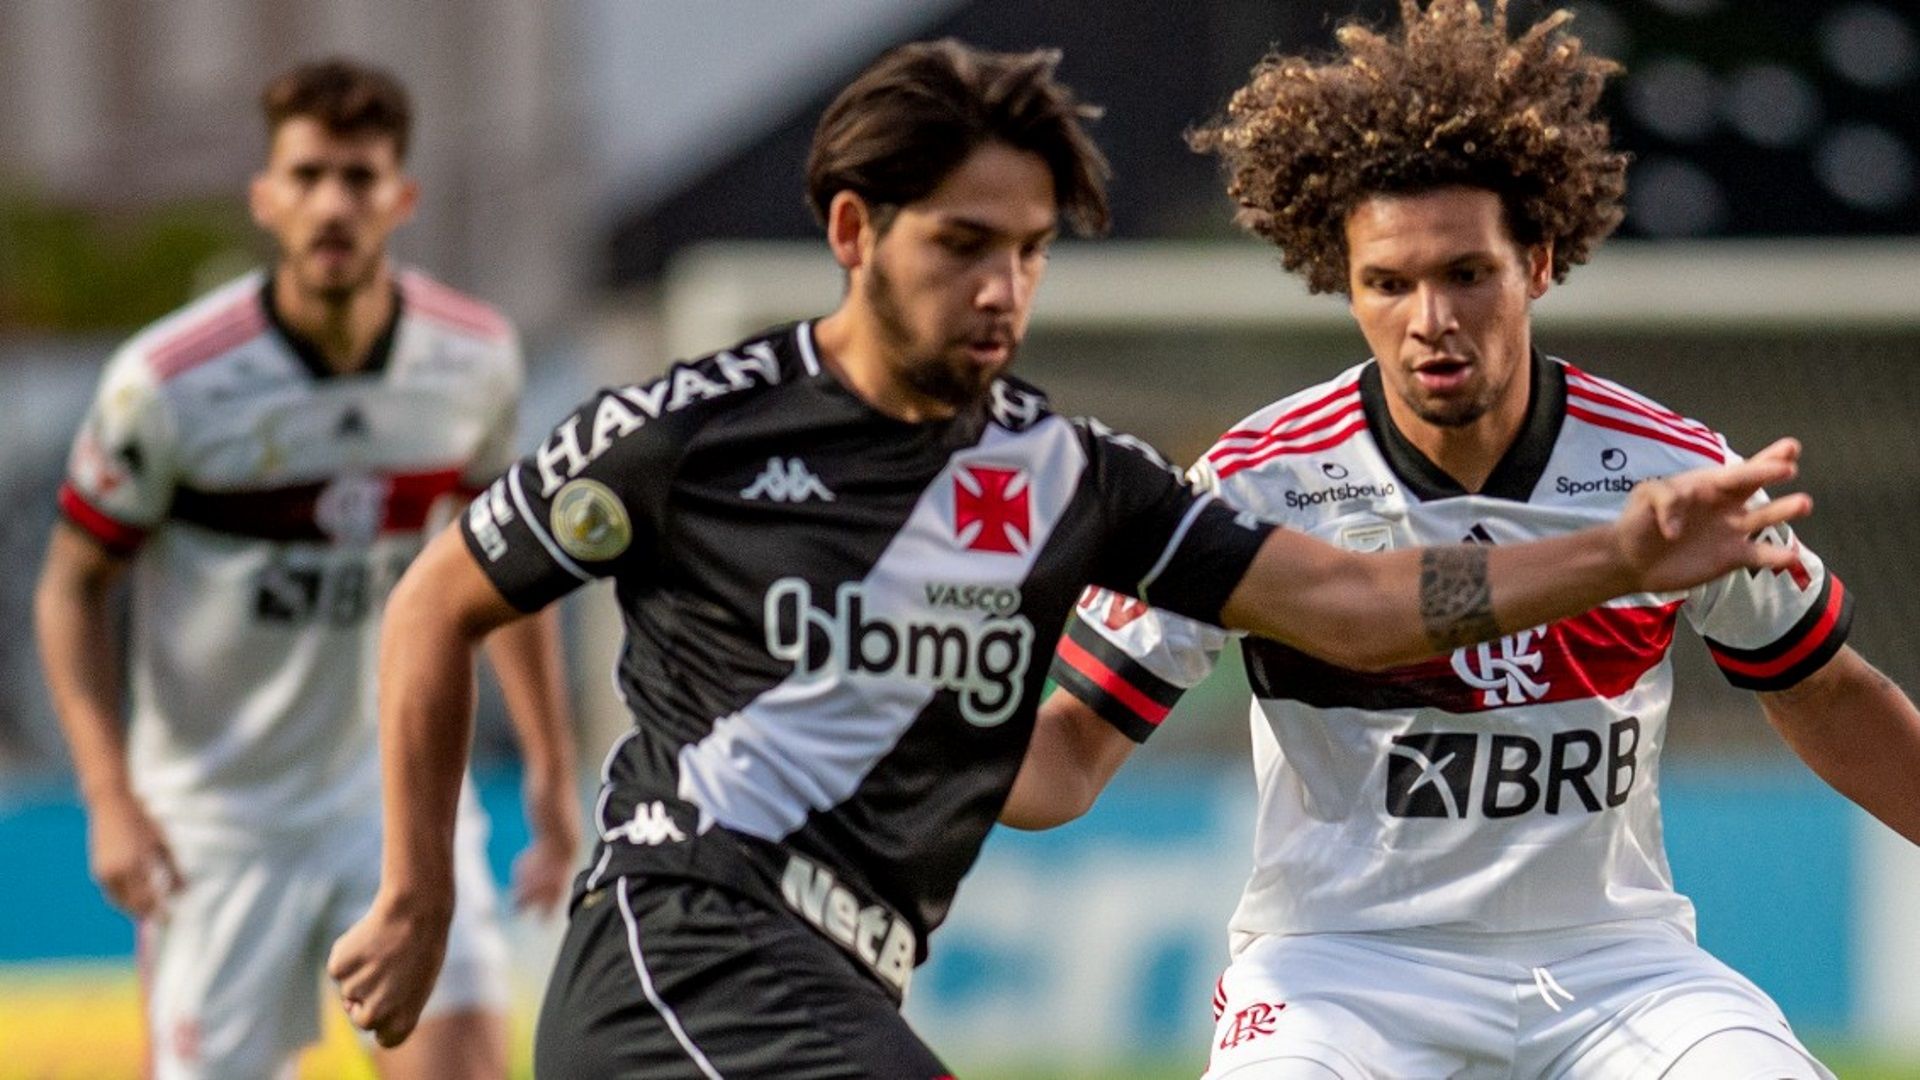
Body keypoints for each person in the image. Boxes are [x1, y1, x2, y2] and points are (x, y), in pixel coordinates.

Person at [326, 38, 1809, 1080]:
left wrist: (1615, 552)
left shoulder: (1071, 475)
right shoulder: (690, 429)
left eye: (1029, 250)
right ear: (854, 231)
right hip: (686, 940)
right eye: (963, 244)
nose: (1002, 288)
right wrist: (418, 895)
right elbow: (435, 603)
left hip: (847, 978)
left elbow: (1349, 606)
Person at [1010, 3, 1920, 1077]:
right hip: (1337, 973)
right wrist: (880, 717)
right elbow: (1065, 760)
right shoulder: (1255, 483)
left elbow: (1823, 689)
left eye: (1465, 274)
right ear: (1343, 288)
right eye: (1388, 284)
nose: (1429, 318)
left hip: (1615, 966)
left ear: (1537, 262)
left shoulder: (1669, 470)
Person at [33, 59, 581, 1080]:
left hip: (393, 803)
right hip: (216, 821)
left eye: (361, 178)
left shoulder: (473, 361)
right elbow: (71, 587)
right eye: (311, 174)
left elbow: (501, 583)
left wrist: (552, 773)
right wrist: (107, 792)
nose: (335, 203)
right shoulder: (168, 382)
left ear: (401, 197)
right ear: (268, 197)